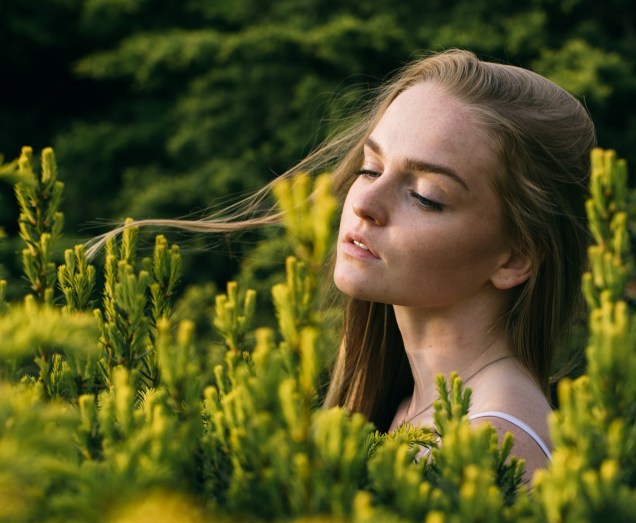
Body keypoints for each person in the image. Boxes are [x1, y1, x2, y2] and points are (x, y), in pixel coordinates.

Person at [88, 49, 595, 483]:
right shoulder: (414, 408)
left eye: (425, 196)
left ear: (515, 257)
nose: (365, 201)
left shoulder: (490, 444)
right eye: (370, 168)